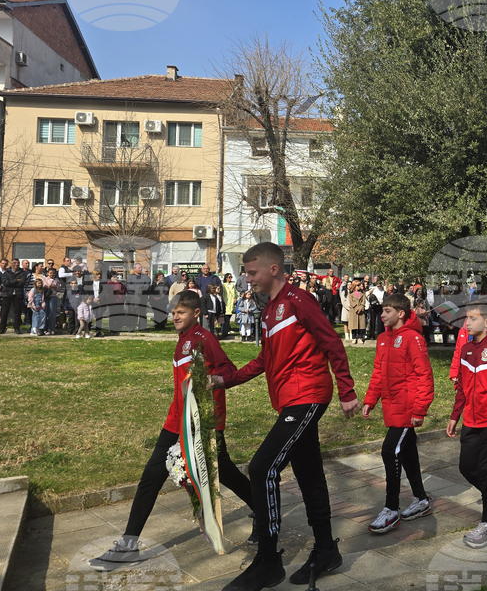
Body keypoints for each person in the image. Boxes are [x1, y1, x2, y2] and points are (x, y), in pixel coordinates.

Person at [213, 243, 359, 590]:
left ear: (273, 269)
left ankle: (267, 561)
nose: (248, 279)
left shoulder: (298, 301)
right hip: (290, 399)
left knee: (263, 467)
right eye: (246, 273)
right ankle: (326, 550)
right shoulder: (269, 311)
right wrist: (224, 379)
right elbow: (265, 360)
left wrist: (348, 391)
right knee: (309, 473)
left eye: (252, 272)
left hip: (307, 395)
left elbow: (332, 343)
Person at [91, 290, 255, 567]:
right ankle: (128, 543)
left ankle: (263, 511)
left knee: (224, 471)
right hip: (175, 422)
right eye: (173, 312)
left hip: (202, 423)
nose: (175, 316)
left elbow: (228, 369)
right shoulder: (183, 340)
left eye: (181, 312)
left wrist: (213, 382)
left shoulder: (204, 339)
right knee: (151, 476)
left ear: (196, 314)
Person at [361, 294, 435, 533]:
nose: (382, 315)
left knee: (389, 451)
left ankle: (391, 509)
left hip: (407, 408)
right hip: (391, 406)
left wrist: (419, 409)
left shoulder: (413, 339)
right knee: (408, 454)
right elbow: (378, 373)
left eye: (387, 311)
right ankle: (421, 500)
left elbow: (425, 375)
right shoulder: (383, 339)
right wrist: (370, 400)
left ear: (401, 313)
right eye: (382, 311)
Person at [445, 302, 487, 549]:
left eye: (473, 319)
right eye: (466, 319)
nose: (467, 323)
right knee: (466, 468)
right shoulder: (465, 349)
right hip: (470, 421)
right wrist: (455, 416)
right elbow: (462, 389)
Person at [0, 259, 24, 334]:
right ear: (11, 264)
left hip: (17, 295)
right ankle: (2, 328)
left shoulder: (22, 273)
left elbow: (22, 283)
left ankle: (17, 328)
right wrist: (16, 280)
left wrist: (11, 282)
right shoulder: (6, 273)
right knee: (4, 312)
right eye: (15, 263)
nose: (16, 264)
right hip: (7, 294)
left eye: (18, 263)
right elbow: (5, 283)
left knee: (17, 312)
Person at [222, 273, 237, 340]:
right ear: (226, 278)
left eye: (231, 277)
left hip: (232, 302)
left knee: (229, 316)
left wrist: (235, 298)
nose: (230, 278)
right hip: (226, 302)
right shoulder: (223, 285)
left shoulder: (232, 285)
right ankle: (225, 331)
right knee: (226, 318)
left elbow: (235, 292)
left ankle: (227, 329)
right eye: (229, 277)